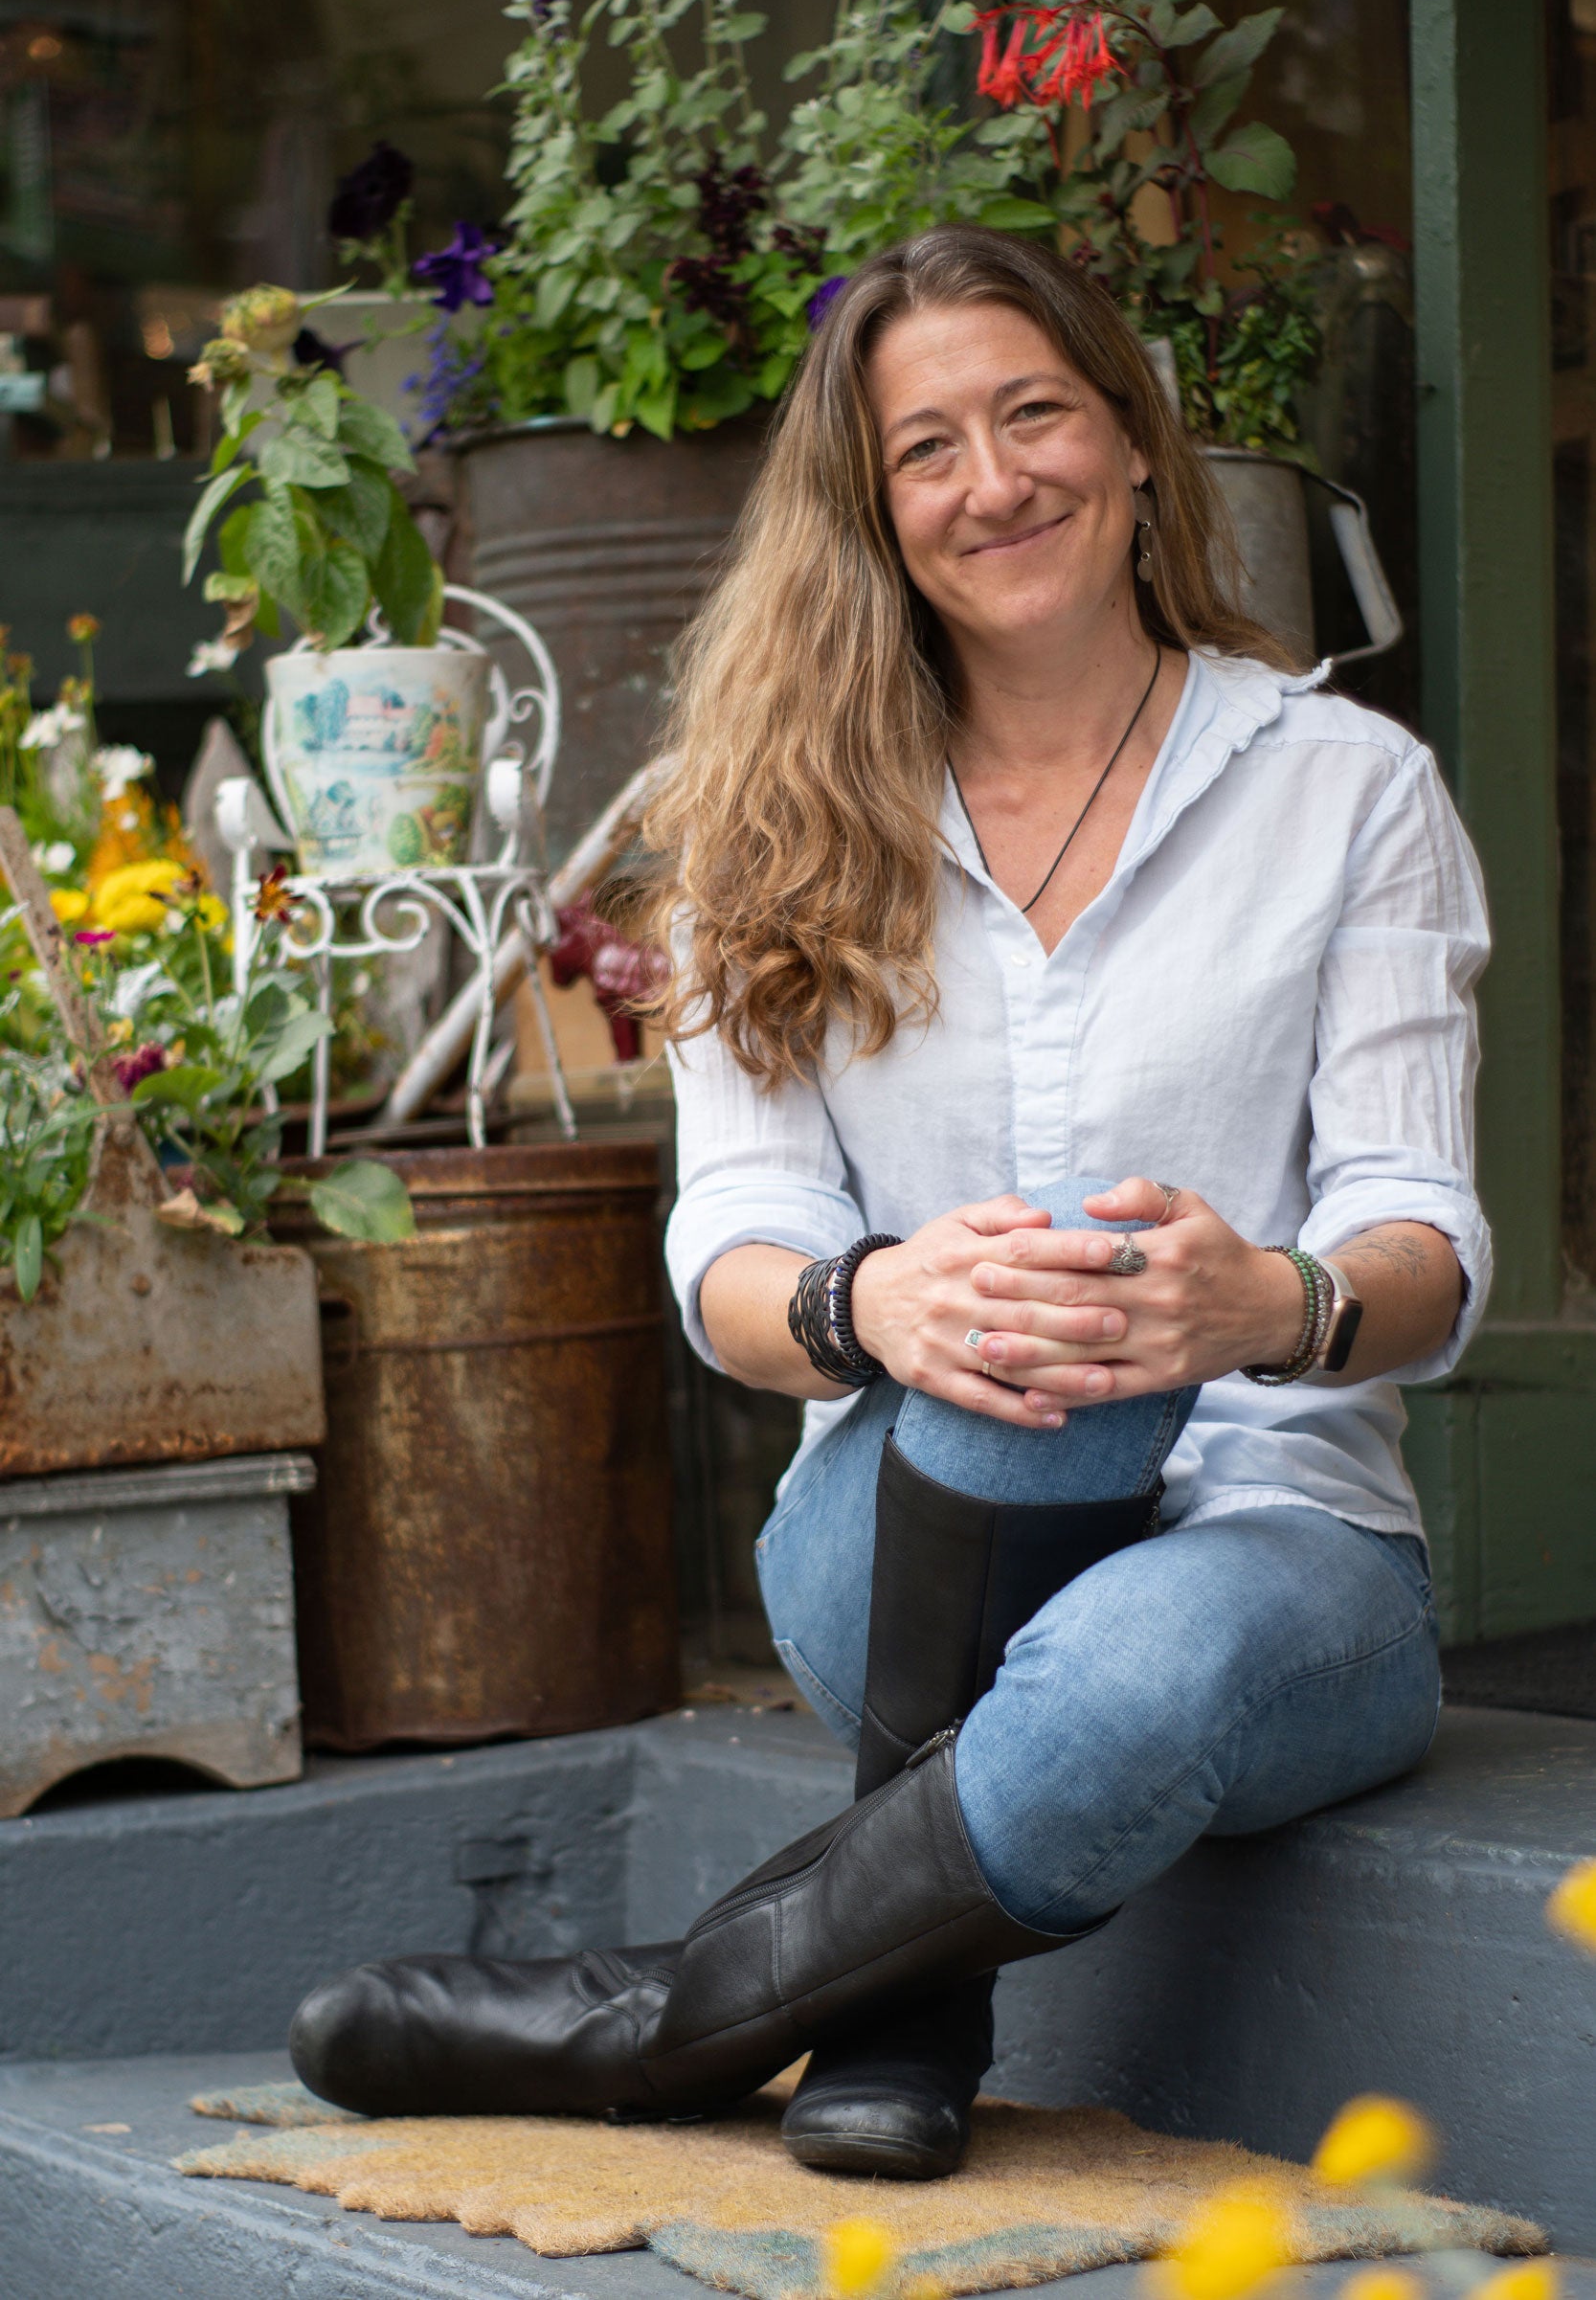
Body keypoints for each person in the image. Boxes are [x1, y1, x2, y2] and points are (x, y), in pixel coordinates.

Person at [288, 225, 1489, 2183]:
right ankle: (842, 1986)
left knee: (1123, 1632)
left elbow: (1423, 1235)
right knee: (1022, 1303)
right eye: (928, 447)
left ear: (1133, 437)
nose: (991, 480)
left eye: (1035, 415)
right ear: (872, 507)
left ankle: (682, 2016)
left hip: (1292, 1566)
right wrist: (877, 1305)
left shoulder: (1346, 791)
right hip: (900, 1544)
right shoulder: (777, 819)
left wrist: (1265, 1302)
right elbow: (728, 1252)